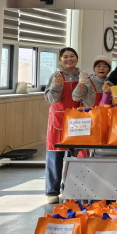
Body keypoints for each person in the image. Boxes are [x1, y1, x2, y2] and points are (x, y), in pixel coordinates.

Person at [44, 47, 81, 204]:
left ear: (77, 59)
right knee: (55, 155)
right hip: (58, 118)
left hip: (78, 119)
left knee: (75, 156)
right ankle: (52, 191)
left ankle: (69, 188)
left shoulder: (82, 76)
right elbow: (51, 99)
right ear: (60, 59)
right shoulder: (56, 76)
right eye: (65, 56)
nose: (69, 59)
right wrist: (57, 86)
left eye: (72, 56)